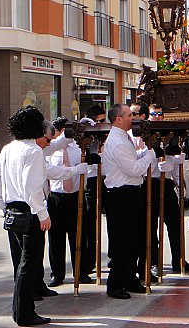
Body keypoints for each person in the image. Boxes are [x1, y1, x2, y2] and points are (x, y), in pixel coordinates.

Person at [0, 106, 52, 326]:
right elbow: (31, 187)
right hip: (29, 211)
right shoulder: (33, 150)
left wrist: (1, 204)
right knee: (29, 263)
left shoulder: (9, 148)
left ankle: (22, 311)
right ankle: (24, 313)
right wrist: (42, 213)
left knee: (22, 264)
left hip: (12, 210)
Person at [101, 104, 157, 299]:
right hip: (121, 196)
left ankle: (129, 278)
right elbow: (133, 169)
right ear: (118, 118)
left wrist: (144, 155)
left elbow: (132, 160)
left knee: (133, 240)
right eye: (128, 115)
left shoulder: (123, 138)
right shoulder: (116, 141)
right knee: (121, 242)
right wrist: (149, 156)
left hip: (130, 193)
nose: (132, 118)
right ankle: (115, 284)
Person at [144, 103, 189, 275]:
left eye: (160, 113)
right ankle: (153, 262)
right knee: (151, 226)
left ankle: (179, 260)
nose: (158, 117)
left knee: (174, 224)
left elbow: (172, 163)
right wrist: (155, 166)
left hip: (166, 184)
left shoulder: (168, 135)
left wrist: (178, 180)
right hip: (150, 183)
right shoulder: (142, 135)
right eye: (154, 114)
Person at [46, 117, 91, 287]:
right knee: (56, 238)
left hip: (75, 196)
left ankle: (81, 272)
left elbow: (87, 170)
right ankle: (57, 274)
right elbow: (49, 173)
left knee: (78, 236)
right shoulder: (50, 150)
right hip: (56, 196)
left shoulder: (79, 147)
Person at [80, 104, 106, 279]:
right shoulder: (84, 132)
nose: (104, 124)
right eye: (101, 121)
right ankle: (88, 263)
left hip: (106, 178)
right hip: (90, 180)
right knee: (90, 223)